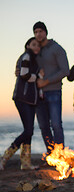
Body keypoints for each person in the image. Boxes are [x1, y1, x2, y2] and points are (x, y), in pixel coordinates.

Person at [0, 37, 41, 170]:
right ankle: (5, 157)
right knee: (28, 131)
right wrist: (38, 77)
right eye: (33, 44)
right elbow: (24, 74)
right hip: (23, 98)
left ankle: (25, 163)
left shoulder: (33, 59)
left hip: (30, 100)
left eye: (38, 45)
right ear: (28, 45)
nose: (36, 47)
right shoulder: (27, 56)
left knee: (29, 131)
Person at [33, 21, 69, 155]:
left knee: (56, 125)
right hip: (38, 94)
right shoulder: (35, 49)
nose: (38, 34)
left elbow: (65, 71)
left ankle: (61, 157)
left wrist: (46, 81)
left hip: (54, 92)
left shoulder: (56, 48)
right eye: (35, 32)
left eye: (40, 31)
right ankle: (51, 155)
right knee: (43, 126)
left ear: (46, 32)